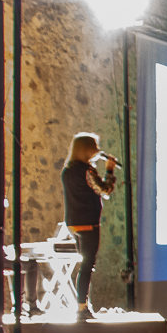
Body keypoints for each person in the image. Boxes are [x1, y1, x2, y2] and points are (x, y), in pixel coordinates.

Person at [60, 132, 117, 319]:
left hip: (74, 224)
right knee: (87, 265)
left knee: (84, 263)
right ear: (86, 149)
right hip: (88, 223)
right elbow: (105, 190)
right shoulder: (87, 170)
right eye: (94, 146)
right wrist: (109, 170)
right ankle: (82, 308)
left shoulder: (67, 170)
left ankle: (83, 304)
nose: (97, 150)